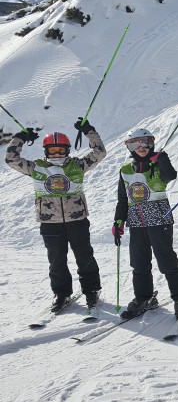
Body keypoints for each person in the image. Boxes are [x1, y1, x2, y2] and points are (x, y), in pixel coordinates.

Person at [5, 120, 106, 312]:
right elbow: (11, 159)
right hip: (50, 222)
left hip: (77, 221)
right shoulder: (36, 168)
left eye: (61, 150)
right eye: (53, 151)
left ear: (67, 150)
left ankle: (92, 290)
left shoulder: (77, 165)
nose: (57, 154)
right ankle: (62, 293)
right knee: (57, 260)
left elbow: (99, 152)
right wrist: (20, 138)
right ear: (46, 151)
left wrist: (89, 132)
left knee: (84, 256)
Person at [112, 129, 178, 320]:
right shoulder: (125, 170)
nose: (141, 148)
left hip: (159, 220)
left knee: (166, 260)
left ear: (151, 144)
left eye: (145, 143)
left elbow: (171, 176)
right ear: (129, 147)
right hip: (137, 223)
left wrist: (162, 159)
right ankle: (143, 298)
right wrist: (118, 220)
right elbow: (123, 199)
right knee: (139, 263)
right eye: (135, 144)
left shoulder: (157, 166)